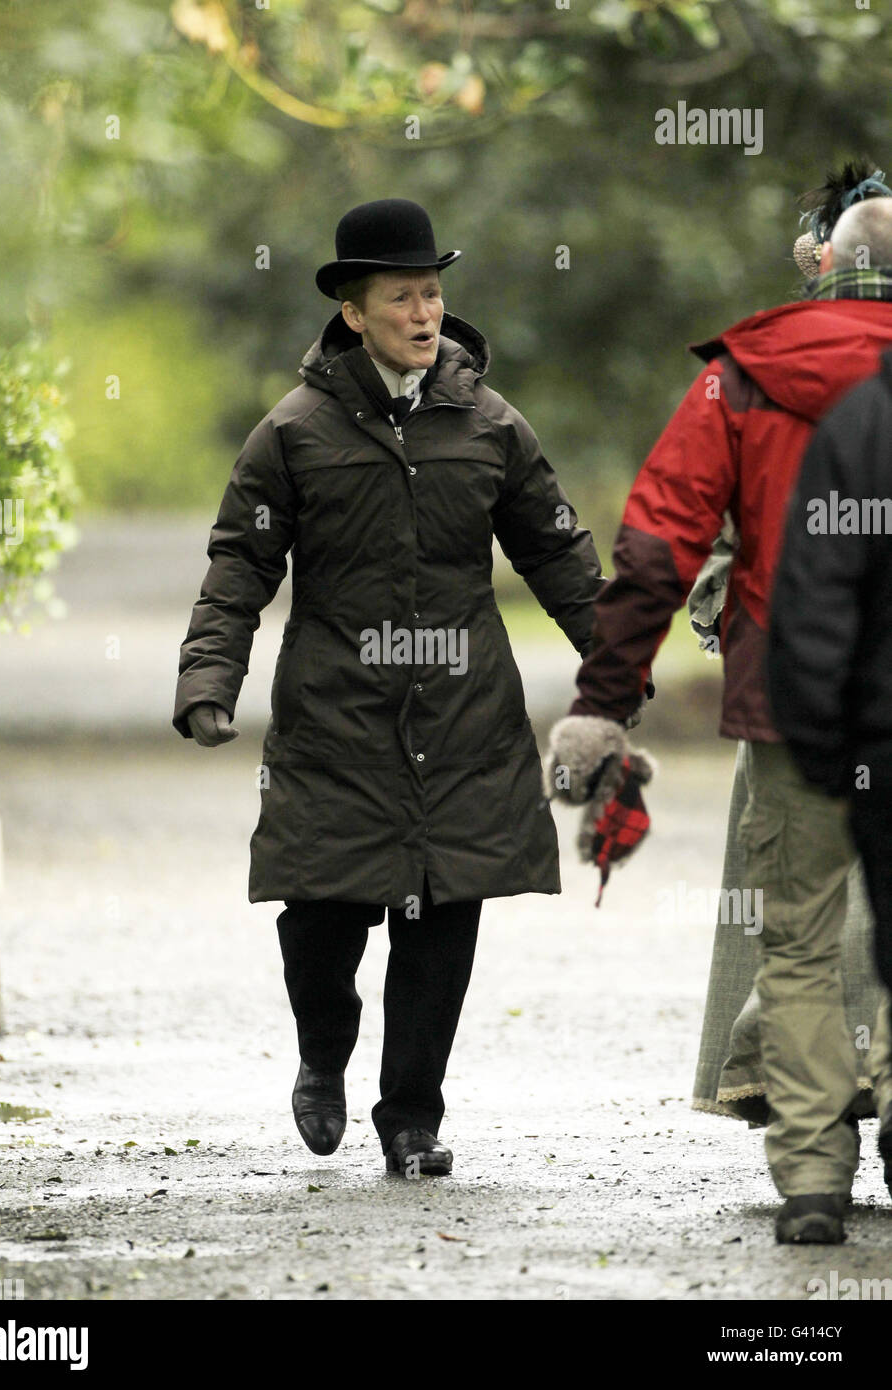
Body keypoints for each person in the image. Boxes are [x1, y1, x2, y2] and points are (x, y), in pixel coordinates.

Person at [173, 198, 604, 1177]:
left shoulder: (489, 423)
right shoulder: (293, 433)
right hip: (337, 722)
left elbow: (558, 552)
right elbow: (240, 565)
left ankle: (410, 1117)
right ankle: (324, 1050)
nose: (424, 313)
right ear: (354, 312)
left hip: (463, 723)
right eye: (402, 296)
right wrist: (210, 677)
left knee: (442, 914)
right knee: (320, 918)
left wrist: (612, 662)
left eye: (433, 293)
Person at [544, 189, 892, 1243]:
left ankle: (814, 1180)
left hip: (796, 712)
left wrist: (604, 703)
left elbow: (657, 542)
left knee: (792, 942)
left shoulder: (740, 377)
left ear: (817, 268)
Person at [691, 167, 891, 1129]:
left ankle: (802, 1110)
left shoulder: (758, 367)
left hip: (789, 676)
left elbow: (716, 513)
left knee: (804, 916)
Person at [767, 344, 892, 1201]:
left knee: (824, 946)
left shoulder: (859, 424)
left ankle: (813, 1178)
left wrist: (821, 745)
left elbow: (815, 594)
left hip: (879, 746)